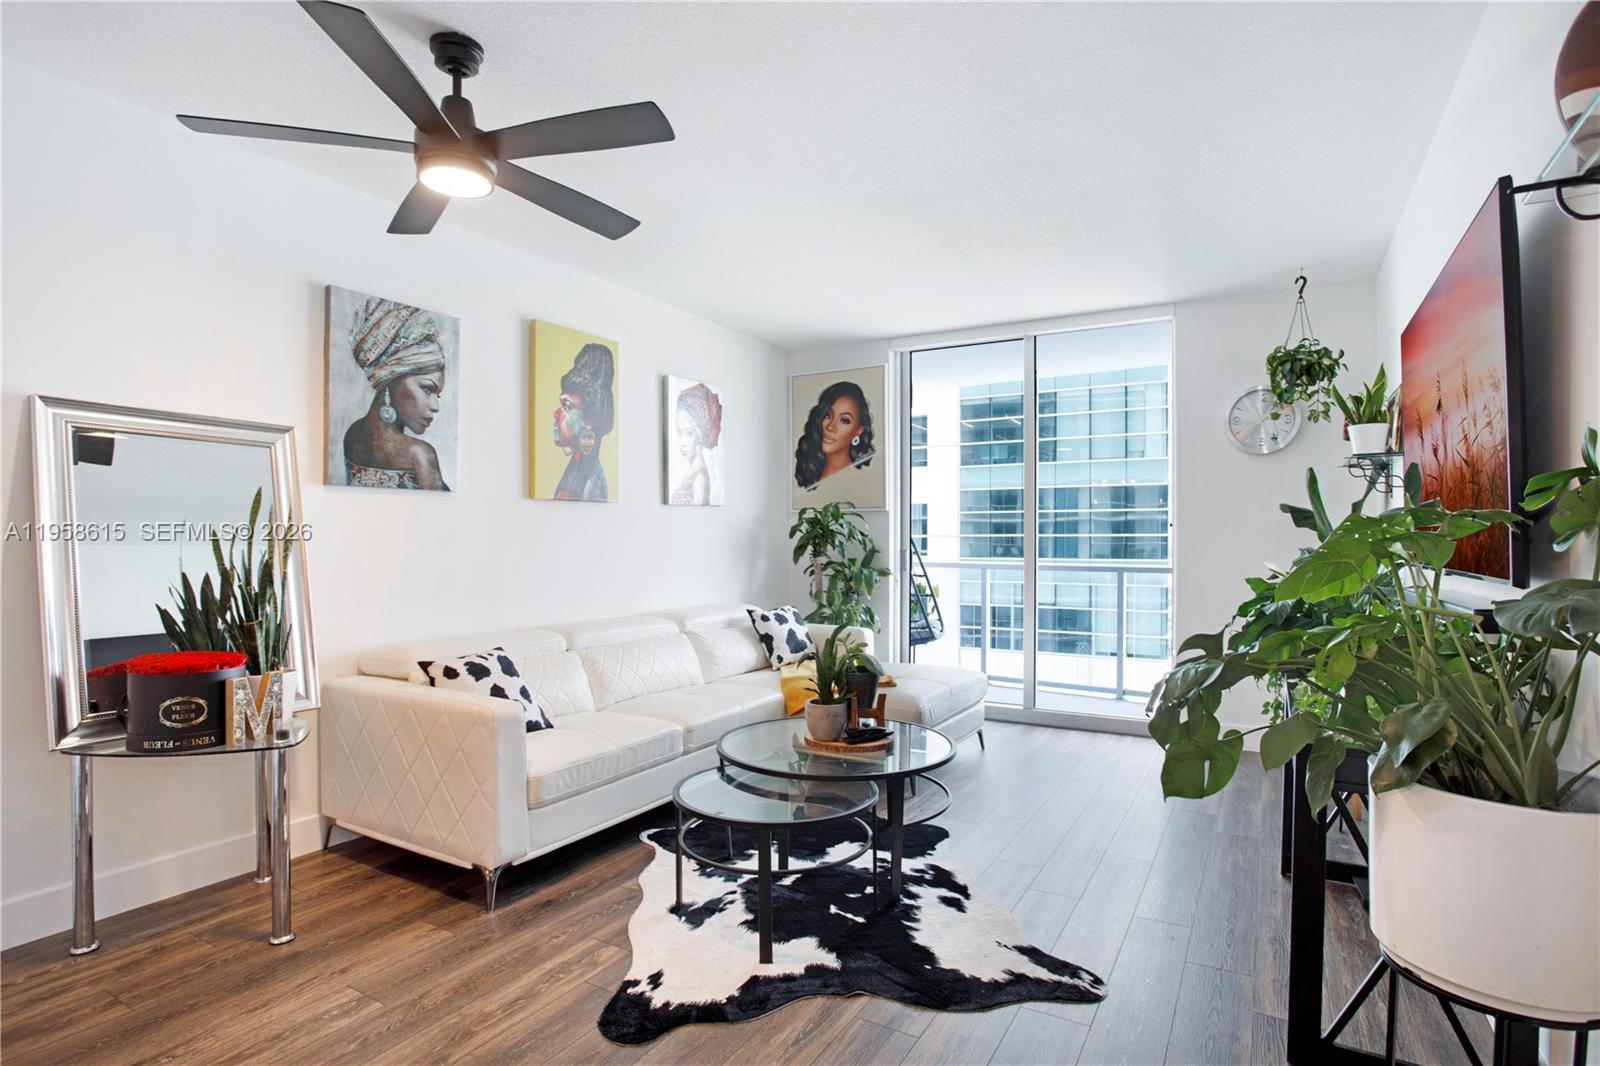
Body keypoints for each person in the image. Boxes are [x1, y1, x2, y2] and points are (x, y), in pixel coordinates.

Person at [342, 297, 450, 491]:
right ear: (391, 379)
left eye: (438, 395)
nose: (436, 406)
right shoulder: (420, 454)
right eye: (427, 389)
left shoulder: (353, 433)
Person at [553, 343, 615, 501]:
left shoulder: (590, 485)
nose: (556, 413)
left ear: (589, 419)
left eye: (567, 406)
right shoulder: (575, 469)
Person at [793, 380, 875, 490]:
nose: (830, 427)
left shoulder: (860, 482)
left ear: (858, 431)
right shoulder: (810, 476)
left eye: (844, 421)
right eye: (827, 415)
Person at [671, 382, 722, 505]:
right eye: (679, 432)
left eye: (689, 433)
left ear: (699, 437)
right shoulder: (694, 473)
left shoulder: (699, 479)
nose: (682, 442)